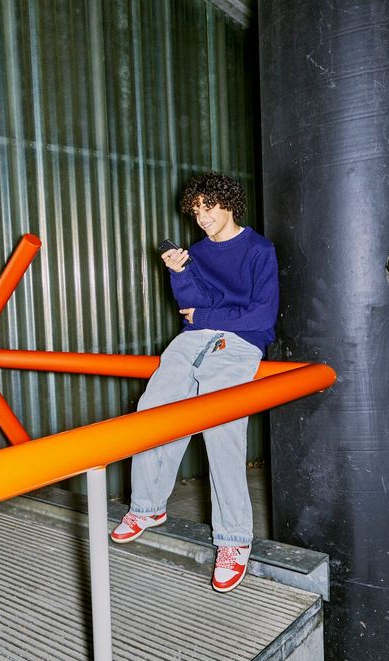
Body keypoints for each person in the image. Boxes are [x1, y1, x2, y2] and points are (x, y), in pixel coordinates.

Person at [110, 172, 278, 593]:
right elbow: (190, 305)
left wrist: (205, 319)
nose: (202, 218)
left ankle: (235, 541)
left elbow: (261, 317)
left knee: (221, 429)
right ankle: (148, 507)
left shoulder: (259, 250)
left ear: (229, 204)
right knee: (153, 412)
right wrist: (180, 272)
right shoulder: (199, 252)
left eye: (209, 207)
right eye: (196, 210)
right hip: (193, 339)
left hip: (241, 343)